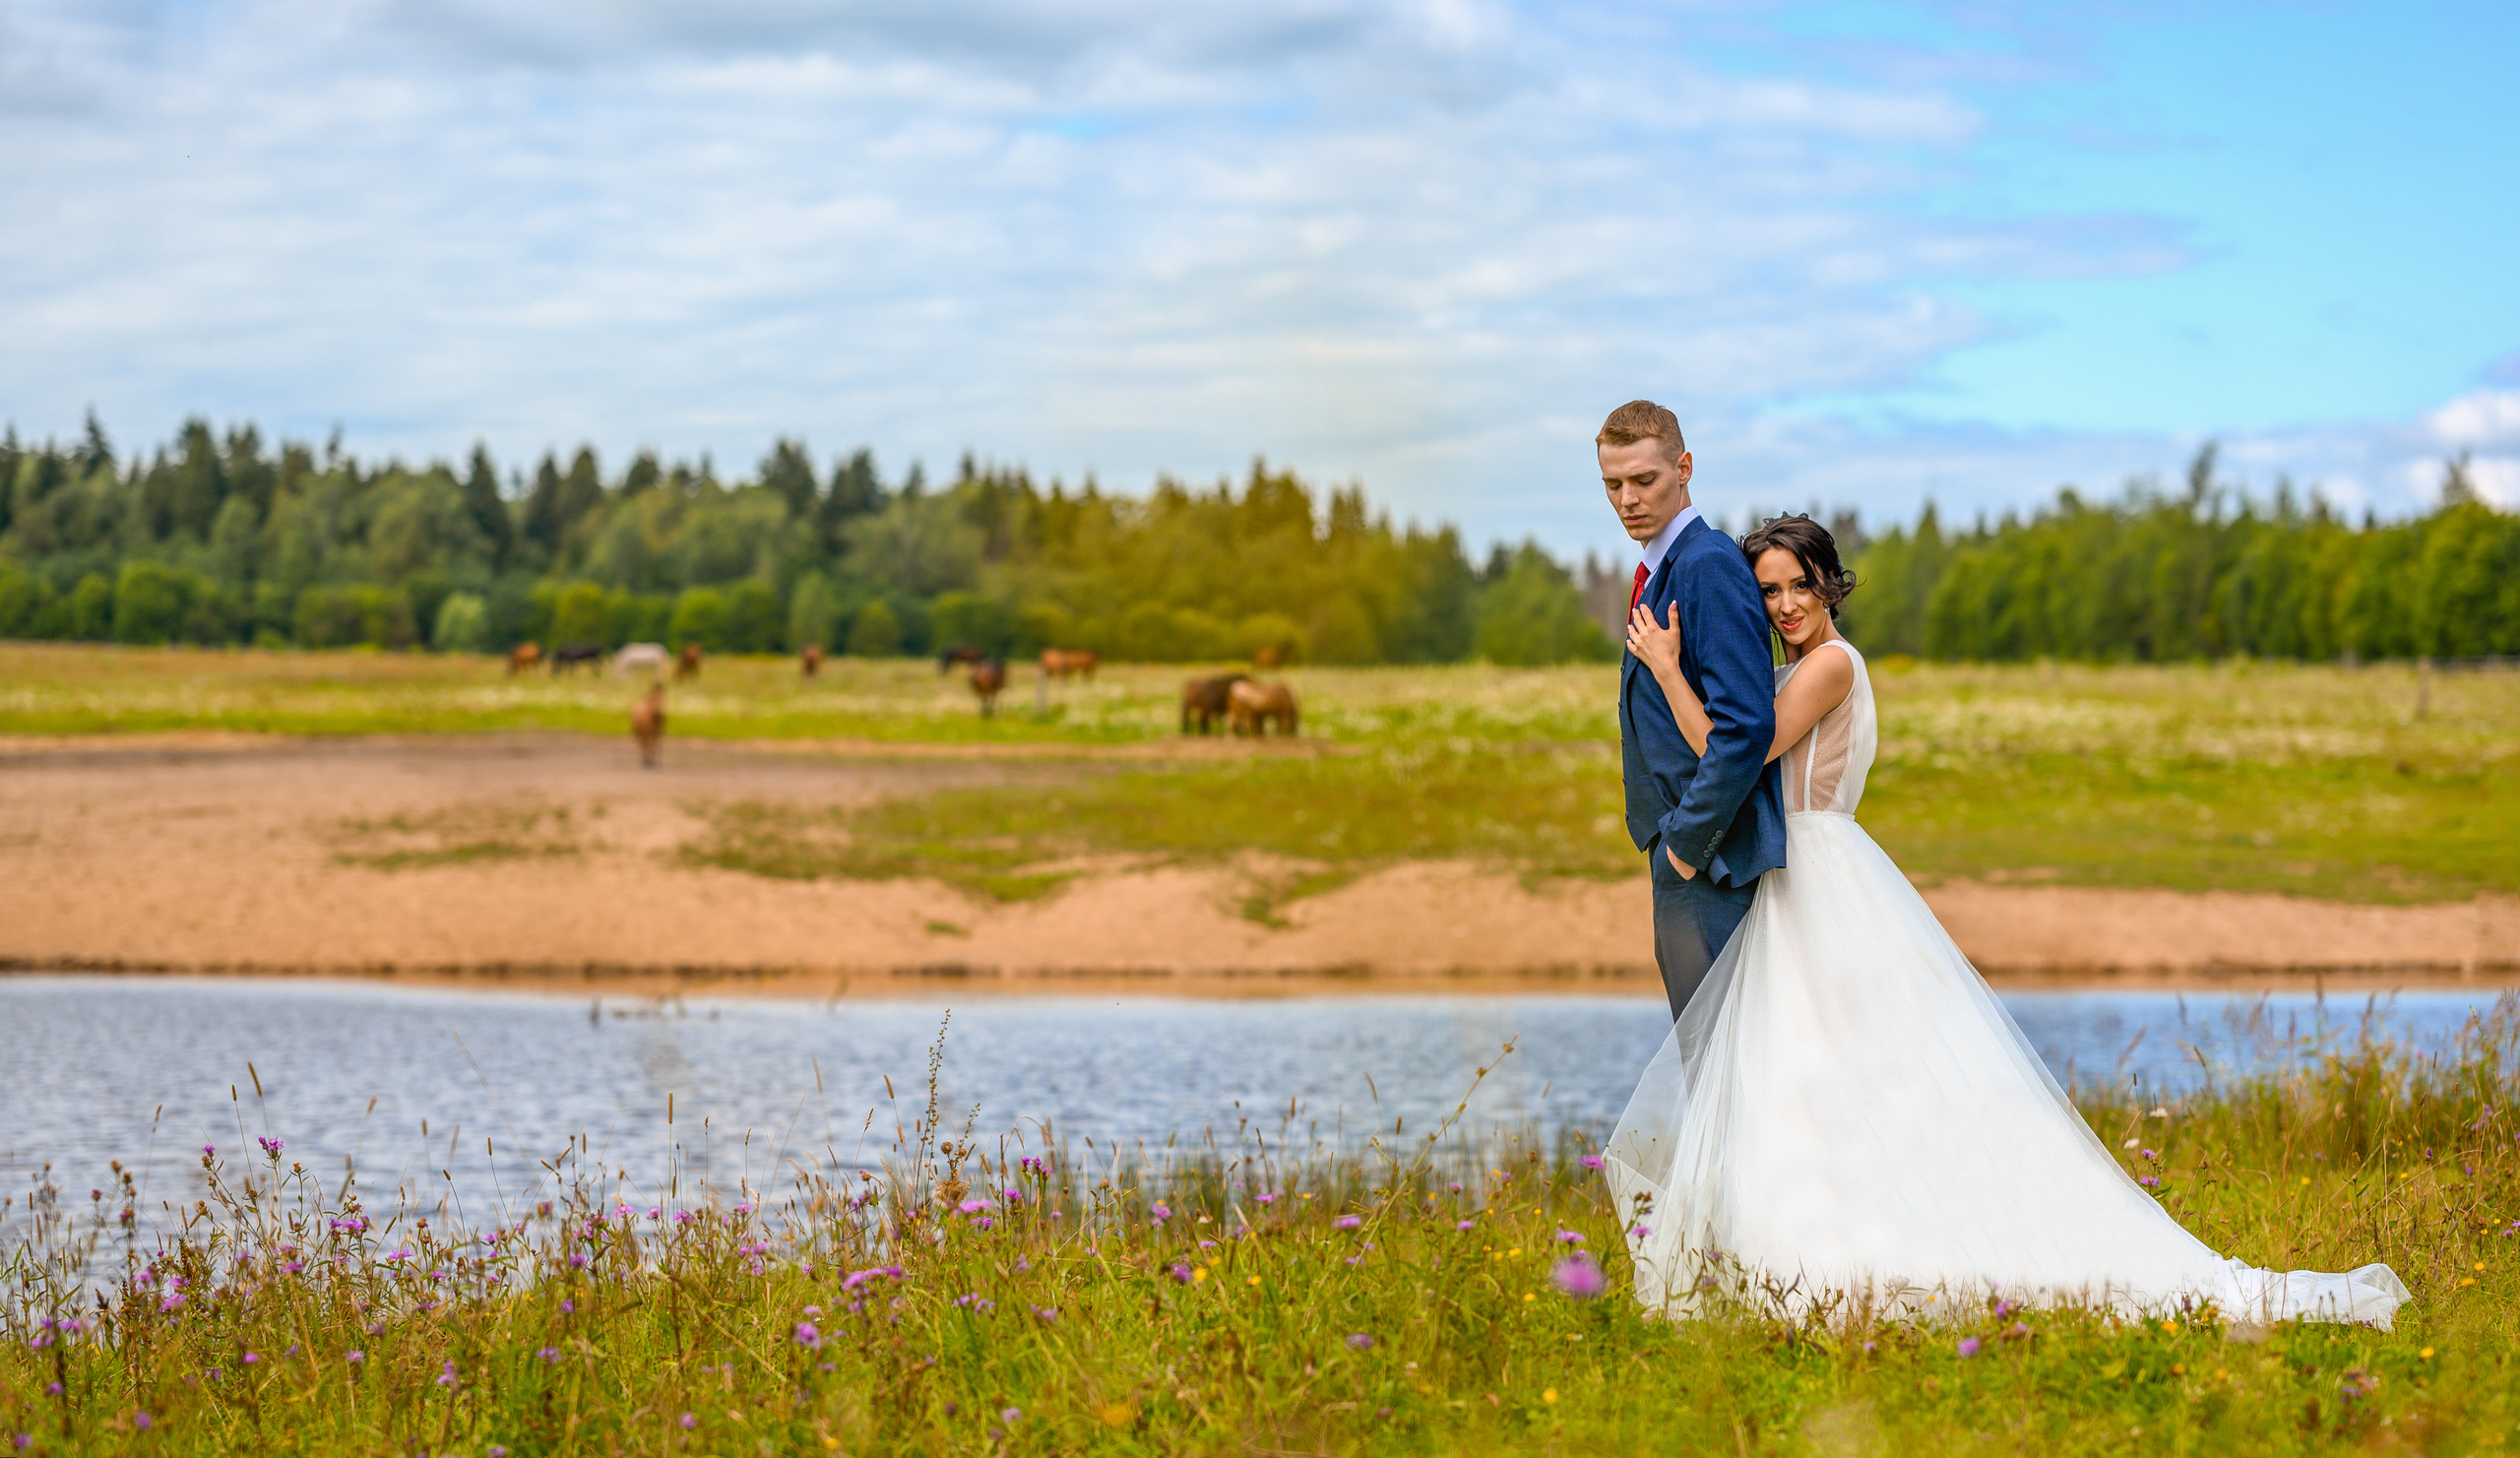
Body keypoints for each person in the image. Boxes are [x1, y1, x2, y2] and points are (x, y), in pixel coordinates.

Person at [1604, 513, 2407, 1326]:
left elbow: (1734, 756)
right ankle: (1804, 1246)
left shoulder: (1832, 666)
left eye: (1799, 584)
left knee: (1836, 1065)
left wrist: (1670, 672)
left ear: (1830, 584)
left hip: (1819, 877)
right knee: (1813, 1077)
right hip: (1793, 880)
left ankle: (1859, 1252)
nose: (1784, 604)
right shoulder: (1799, 670)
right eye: (1768, 590)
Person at [1600, 401, 1786, 1021]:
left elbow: (1746, 727)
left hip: (1711, 865)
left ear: (1683, 468)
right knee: (1713, 1065)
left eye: (1644, 480)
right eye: (1613, 484)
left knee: (1721, 1066)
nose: (1628, 498)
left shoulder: (1705, 566)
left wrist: (1684, 848)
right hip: (1690, 861)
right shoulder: (1663, 569)